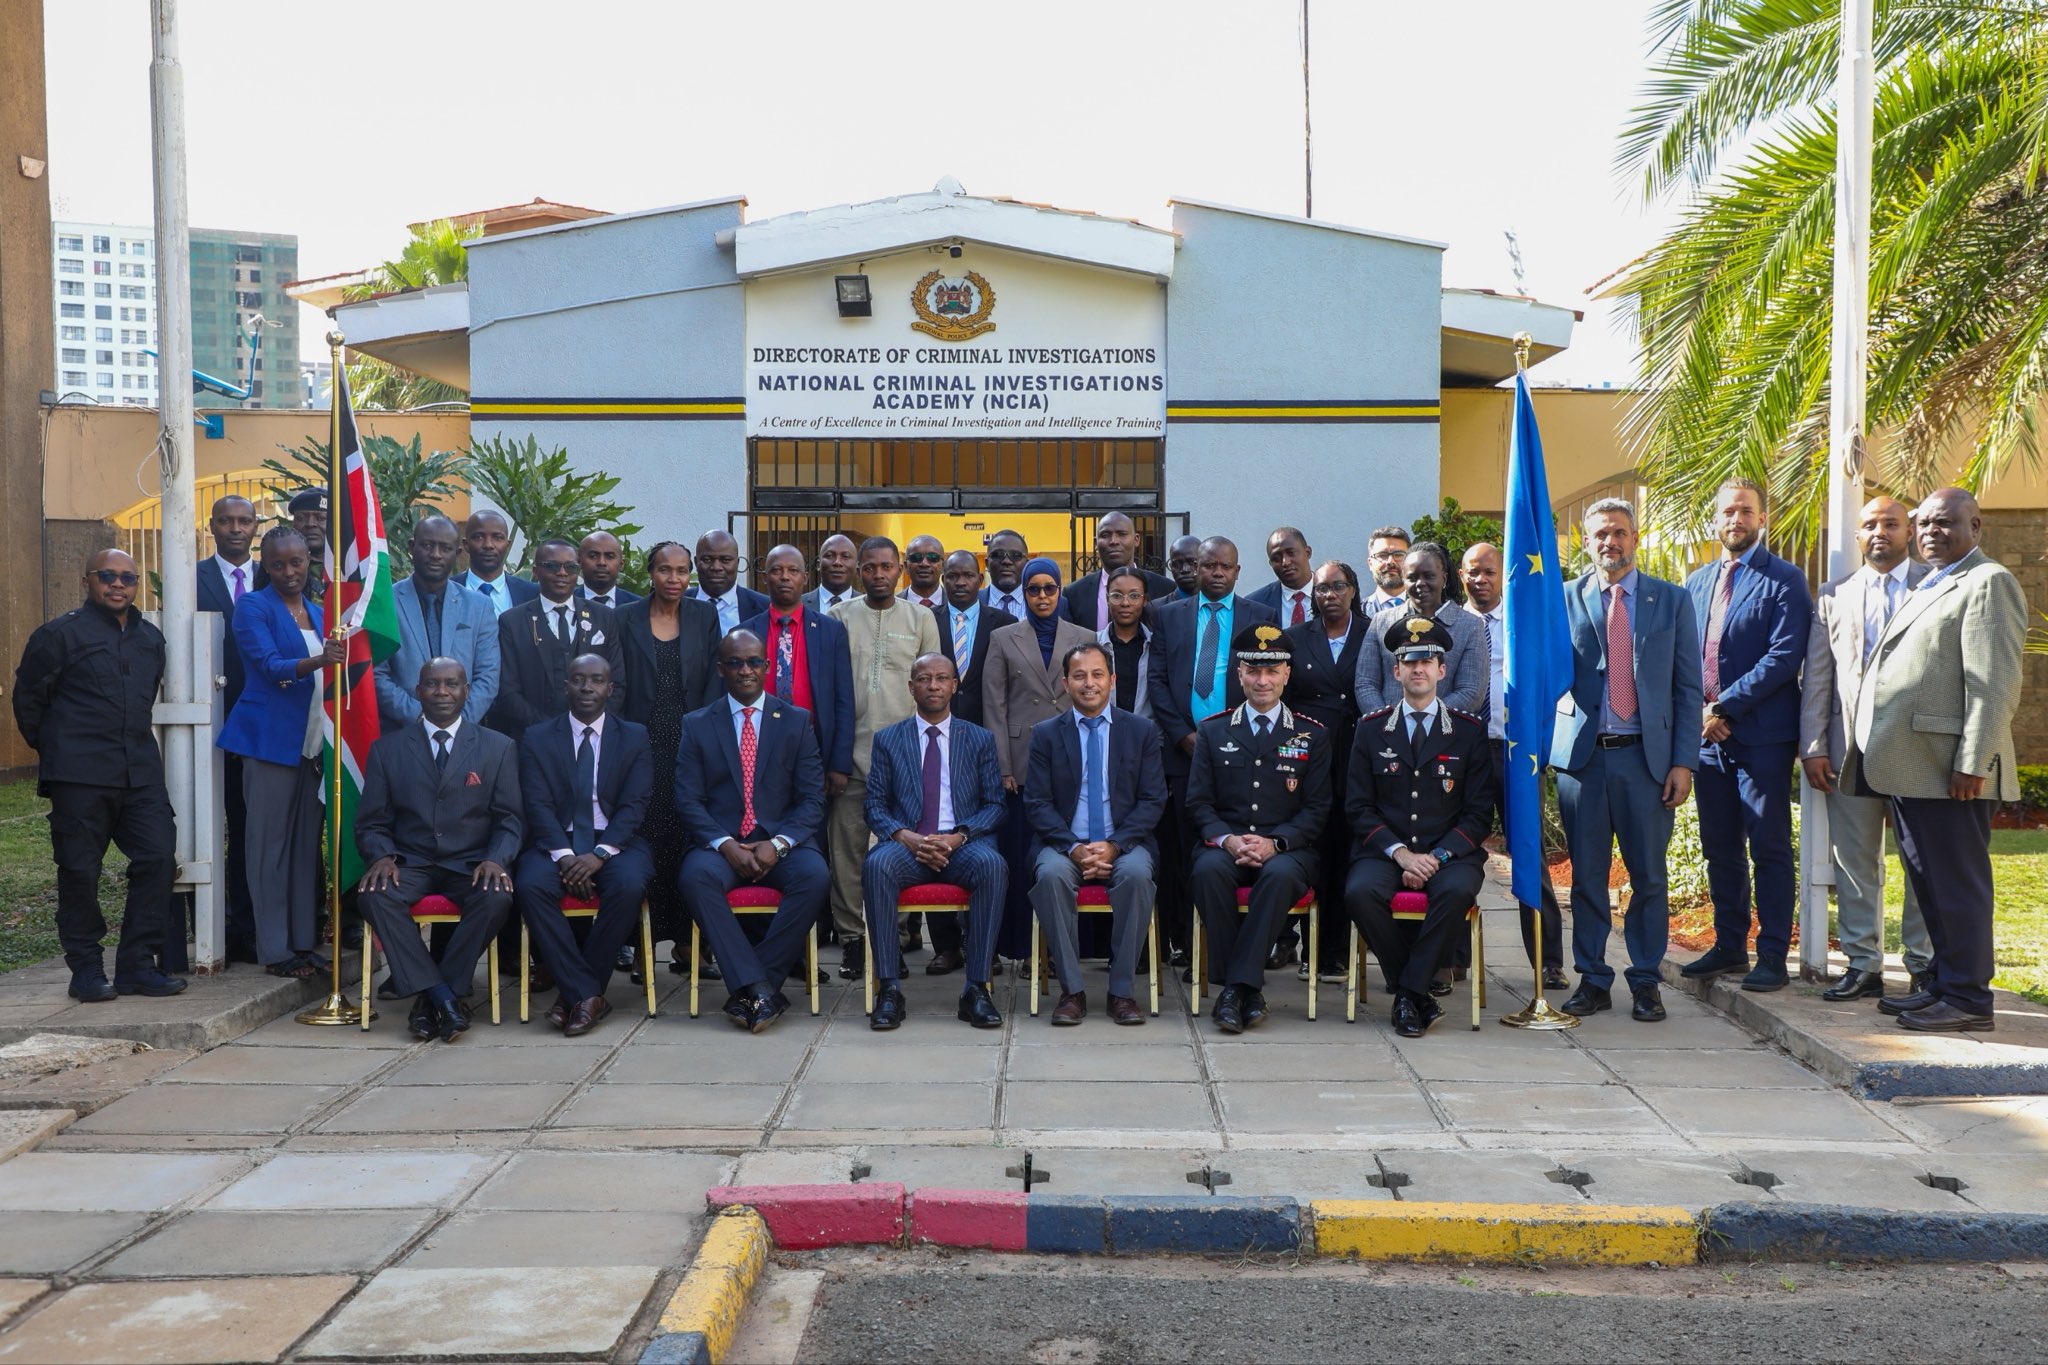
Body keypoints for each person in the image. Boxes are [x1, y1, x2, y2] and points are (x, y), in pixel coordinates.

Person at [1854, 488, 2026, 1032]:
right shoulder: (1933, 581)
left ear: (1976, 527)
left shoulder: (1988, 581)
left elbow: (1994, 682)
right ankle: (1944, 985)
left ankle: (1970, 1000)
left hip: (1952, 770)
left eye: (1945, 522)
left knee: (1957, 886)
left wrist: (1973, 760)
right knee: (1930, 884)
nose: (1931, 531)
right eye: (1924, 522)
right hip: (1912, 767)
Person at [12, 550, 186, 1001]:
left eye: (128, 577)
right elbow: (28, 701)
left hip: (139, 773)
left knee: (158, 858)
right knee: (79, 871)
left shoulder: (150, 639)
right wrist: (60, 750)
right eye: (107, 576)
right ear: (87, 580)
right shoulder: (57, 635)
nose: (118, 584)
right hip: (80, 776)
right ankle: (86, 969)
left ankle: (136, 966)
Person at [1552, 499, 1701, 1023]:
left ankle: (1645, 981)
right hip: (1584, 762)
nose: (1609, 542)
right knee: (1587, 879)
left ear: (1635, 538)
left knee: (1650, 878)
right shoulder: (1563, 598)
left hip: (1647, 763)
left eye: (1618, 532)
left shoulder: (1672, 600)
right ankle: (1593, 979)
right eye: (1600, 534)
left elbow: (1688, 688)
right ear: (1587, 541)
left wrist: (1683, 762)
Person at [1679, 478, 1814, 992]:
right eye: (1727, 512)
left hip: (1762, 739)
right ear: (1716, 520)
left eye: (1745, 511)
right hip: (1708, 740)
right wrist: (1702, 713)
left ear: (1762, 518)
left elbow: (1783, 657)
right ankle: (1730, 945)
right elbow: (1685, 657)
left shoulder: (1785, 580)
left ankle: (1773, 954)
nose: (1735, 519)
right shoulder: (1696, 583)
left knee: (1769, 846)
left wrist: (1724, 707)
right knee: (1720, 848)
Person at [1799, 496, 1931, 1003]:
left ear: (1909, 531)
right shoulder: (1834, 595)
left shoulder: (1935, 585)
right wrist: (1814, 745)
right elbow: (1818, 677)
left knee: (1921, 863)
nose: (1879, 532)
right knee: (1854, 862)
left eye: (1890, 524)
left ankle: (1923, 964)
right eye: (1869, 525)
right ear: (1857, 535)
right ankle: (1862, 963)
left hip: (1919, 752)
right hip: (1849, 751)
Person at [355, 659, 522, 1044]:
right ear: (418, 691)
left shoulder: (498, 747)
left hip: (471, 864)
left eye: (451, 684)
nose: (442, 692)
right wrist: (381, 856)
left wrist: (495, 859)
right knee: (374, 895)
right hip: (410, 862)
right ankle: (443, 996)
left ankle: (431, 998)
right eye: (432, 684)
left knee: (496, 897)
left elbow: (511, 820)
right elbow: (371, 822)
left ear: (466, 691)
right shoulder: (388, 749)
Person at [675, 630, 833, 1033]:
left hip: (781, 842)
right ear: (720, 669)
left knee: (815, 876)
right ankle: (761, 989)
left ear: (767, 667)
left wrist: (779, 844)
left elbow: (812, 799)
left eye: (753, 662)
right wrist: (726, 845)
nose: (745, 670)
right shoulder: (697, 724)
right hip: (721, 845)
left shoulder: (795, 721)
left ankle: (754, 985)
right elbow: (688, 800)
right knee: (695, 877)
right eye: (735, 663)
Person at [1345, 618, 1496, 1037]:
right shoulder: (1371, 728)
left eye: (1427, 661)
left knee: (1456, 890)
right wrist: (1401, 855)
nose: (1418, 669)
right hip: (1387, 852)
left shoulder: (1468, 731)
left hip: (1449, 855)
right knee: (1359, 892)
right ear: (1396, 671)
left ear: (1441, 670)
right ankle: (1416, 994)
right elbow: (1358, 807)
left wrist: (1437, 857)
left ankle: (1407, 993)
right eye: (1409, 662)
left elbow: (1478, 814)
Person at [1185, 624, 1331, 1033]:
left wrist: (1275, 843)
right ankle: (1244, 989)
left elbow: (1317, 808)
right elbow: (1198, 802)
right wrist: (1229, 840)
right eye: (1253, 670)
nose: (1262, 680)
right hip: (1225, 844)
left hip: (1288, 849)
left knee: (1279, 875)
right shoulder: (1213, 730)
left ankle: (1234, 989)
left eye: (1272, 671)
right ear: (1239, 674)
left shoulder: (1312, 734)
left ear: (1287, 674)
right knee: (1207, 871)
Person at [218, 527, 348, 979]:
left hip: (312, 745)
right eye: (278, 564)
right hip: (269, 742)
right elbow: (271, 667)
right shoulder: (253, 607)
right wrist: (321, 660)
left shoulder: (321, 612)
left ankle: (302, 942)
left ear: (309, 561)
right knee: (267, 849)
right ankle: (274, 950)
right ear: (266, 566)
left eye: (297, 562)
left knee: (304, 849)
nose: (289, 571)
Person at [861, 653, 1010, 1031]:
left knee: (993, 866)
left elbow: (995, 805)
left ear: (954, 686)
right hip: (907, 846)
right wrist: (906, 836)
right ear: (911, 687)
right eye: (924, 679)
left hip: (962, 846)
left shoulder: (978, 738)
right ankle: (889, 988)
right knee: (876, 865)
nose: (933, 685)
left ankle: (977, 988)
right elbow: (874, 806)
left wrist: (958, 837)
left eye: (942, 678)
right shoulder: (888, 739)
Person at [1148, 536, 1278, 962]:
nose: (1217, 573)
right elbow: (1158, 681)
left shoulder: (1260, 617)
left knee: (1235, 847)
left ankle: (1236, 944)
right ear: (1196, 568)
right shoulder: (1168, 615)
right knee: (1187, 852)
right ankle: (1189, 946)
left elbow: (1266, 682)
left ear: (1237, 571)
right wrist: (1182, 735)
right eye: (1209, 566)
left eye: (1225, 566)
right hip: (1183, 752)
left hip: (1243, 753)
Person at [1024, 642, 1167, 1025]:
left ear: (1112, 680)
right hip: (1064, 844)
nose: (1089, 683)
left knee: (1137, 876)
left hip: (1125, 843)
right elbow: (1037, 803)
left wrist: (1115, 846)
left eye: (1097, 674)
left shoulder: (1140, 731)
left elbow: (1153, 799)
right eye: (1080, 676)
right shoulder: (1046, 734)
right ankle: (1072, 992)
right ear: (1065, 683)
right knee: (1050, 876)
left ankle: (1122, 992)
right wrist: (1073, 847)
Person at [514, 654, 653, 1037]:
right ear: (566, 687)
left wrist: (600, 854)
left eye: (596, 680)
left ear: (610, 688)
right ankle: (588, 994)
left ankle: (573, 995)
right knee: (529, 885)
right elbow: (537, 805)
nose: (587, 687)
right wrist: (565, 856)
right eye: (579, 679)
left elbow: (634, 804)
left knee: (628, 885)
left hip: (615, 842)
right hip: (556, 842)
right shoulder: (538, 737)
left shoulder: (634, 736)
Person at [828, 538, 941, 979]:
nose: (879, 574)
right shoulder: (839, 617)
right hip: (851, 757)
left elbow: (932, 686)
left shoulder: (921, 618)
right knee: (847, 855)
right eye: (870, 567)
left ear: (900, 570)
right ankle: (853, 940)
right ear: (859, 571)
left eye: (887, 567)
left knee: (901, 852)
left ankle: (891, 938)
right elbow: (831, 691)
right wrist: (834, 760)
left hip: (904, 759)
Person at [1461, 541, 1565, 989]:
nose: (1480, 579)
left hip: (1514, 752)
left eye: (1488, 571)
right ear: (1461, 576)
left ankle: (1548, 960)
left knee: (1528, 853)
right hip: (1464, 755)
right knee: (1457, 854)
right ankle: (1454, 959)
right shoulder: (1453, 625)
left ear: (1502, 575)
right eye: (1472, 571)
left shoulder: (1522, 624)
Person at [617, 542, 723, 974]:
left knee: (687, 842)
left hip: (690, 745)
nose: (674, 579)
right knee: (645, 844)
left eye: (682, 571)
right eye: (665, 570)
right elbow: (618, 684)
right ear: (651, 573)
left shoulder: (703, 615)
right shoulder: (625, 617)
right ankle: (640, 946)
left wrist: (708, 737)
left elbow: (715, 680)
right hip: (640, 747)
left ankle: (687, 944)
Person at [985, 557, 1097, 959]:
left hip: (1072, 754)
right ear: (1025, 593)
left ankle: (1069, 946)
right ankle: (1020, 944)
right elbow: (994, 705)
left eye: (1050, 588)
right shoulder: (1003, 637)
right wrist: (1003, 765)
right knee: (1020, 852)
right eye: (1034, 589)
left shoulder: (1085, 636)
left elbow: (1096, 699)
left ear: (1060, 591)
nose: (1043, 596)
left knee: (1067, 849)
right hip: (1021, 759)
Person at [1283, 560, 1367, 984]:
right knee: (1314, 850)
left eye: (1338, 586)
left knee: (1348, 851)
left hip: (1358, 754)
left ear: (1353, 589)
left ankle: (1338, 951)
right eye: (1321, 589)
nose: (1329, 595)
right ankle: (1309, 948)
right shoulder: (1297, 638)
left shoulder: (1372, 633)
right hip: (1310, 758)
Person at [198, 493, 259, 964]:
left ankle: (247, 928)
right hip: (206, 722)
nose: (235, 529)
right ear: (212, 526)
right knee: (202, 828)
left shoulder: (276, 576)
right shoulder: (192, 579)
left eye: (244, 521)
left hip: (259, 727)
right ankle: (205, 926)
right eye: (226, 521)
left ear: (256, 526)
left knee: (247, 829)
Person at [741, 545, 855, 789]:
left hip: (814, 747)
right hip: (758, 745)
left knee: (811, 811)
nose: (785, 577)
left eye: (793, 571)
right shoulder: (745, 632)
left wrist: (839, 764)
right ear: (764, 578)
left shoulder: (830, 631)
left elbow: (844, 700)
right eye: (776, 571)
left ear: (805, 578)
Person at [489, 538, 625, 736]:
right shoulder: (512, 621)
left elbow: (617, 682)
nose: (562, 573)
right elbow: (508, 691)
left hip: (593, 736)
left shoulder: (603, 616)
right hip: (534, 736)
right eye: (551, 566)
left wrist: (590, 726)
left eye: (570, 567)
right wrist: (548, 730)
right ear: (536, 571)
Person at [378, 515, 500, 732]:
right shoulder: (385, 602)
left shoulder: (479, 606)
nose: (436, 555)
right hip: (402, 731)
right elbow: (377, 673)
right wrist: (420, 719)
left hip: (464, 734)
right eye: (427, 545)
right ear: (411, 547)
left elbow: (488, 675)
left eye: (445, 548)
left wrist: (456, 724)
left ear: (458, 554)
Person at [1354, 541, 1487, 717]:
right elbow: (1365, 684)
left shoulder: (1470, 626)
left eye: (1429, 576)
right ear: (1403, 579)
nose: (1420, 583)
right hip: (1387, 729)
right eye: (1412, 577)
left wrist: (1426, 721)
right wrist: (1391, 722)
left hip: (1446, 730)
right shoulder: (1381, 622)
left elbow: (1471, 692)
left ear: (1444, 578)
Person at [934, 550, 1015, 728]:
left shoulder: (1005, 622)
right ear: (943, 580)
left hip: (986, 726)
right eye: (952, 576)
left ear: (980, 580)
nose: (960, 582)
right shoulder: (929, 619)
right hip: (939, 724)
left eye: (968, 576)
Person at [1065, 512, 1174, 630]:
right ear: (1096, 543)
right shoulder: (1073, 594)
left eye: (1122, 534)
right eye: (1105, 535)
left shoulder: (1166, 589)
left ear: (1136, 539)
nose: (1114, 541)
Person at [454, 509, 537, 615]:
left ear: (508, 545)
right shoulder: (446, 591)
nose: (488, 545)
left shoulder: (532, 594)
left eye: (497, 538)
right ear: (466, 544)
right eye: (479, 537)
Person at [1100, 565, 1155, 719]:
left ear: (1145, 600)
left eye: (1134, 596)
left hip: (1148, 731)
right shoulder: (1094, 645)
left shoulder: (1156, 645)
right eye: (1117, 595)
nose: (1125, 603)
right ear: (1107, 599)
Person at [690, 530, 767, 634]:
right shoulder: (677, 605)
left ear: (737, 563)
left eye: (725, 560)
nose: (716, 567)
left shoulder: (764, 607)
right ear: (696, 562)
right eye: (707, 560)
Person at [1248, 527, 1316, 627]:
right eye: (1276, 558)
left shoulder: (1333, 595)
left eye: (1291, 553)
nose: (1285, 562)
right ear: (1271, 564)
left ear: (1308, 552)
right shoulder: (1255, 604)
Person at [576, 531, 641, 609]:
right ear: (579, 562)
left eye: (610, 556)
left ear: (621, 564)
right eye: (593, 556)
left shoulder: (640, 607)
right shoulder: (565, 602)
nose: (602, 562)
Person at [289, 488, 330, 603]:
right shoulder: (282, 567)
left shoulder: (350, 567)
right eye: (301, 518)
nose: (310, 524)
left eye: (320, 518)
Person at [981, 529, 1032, 617]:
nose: (1007, 561)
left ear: (1026, 564)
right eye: (997, 555)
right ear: (987, 563)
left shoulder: (1045, 603)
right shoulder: (972, 602)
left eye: (1016, 555)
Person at [807, 534, 860, 614]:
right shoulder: (798, 605)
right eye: (829, 556)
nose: (837, 562)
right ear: (818, 565)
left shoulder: (870, 607)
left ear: (857, 565)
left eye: (845, 556)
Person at [1363, 526, 1410, 614]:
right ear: (1370, 563)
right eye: (1382, 555)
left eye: (1398, 554)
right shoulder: (1358, 613)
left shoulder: (1428, 610)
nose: (1390, 561)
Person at [901, 535, 946, 609]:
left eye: (933, 557)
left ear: (943, 566)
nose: (924, 564)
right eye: (916, 557)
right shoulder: (889, 606)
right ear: (906, 566)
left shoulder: (957, 604)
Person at [1167, 535, 1202, 601]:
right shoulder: (1157, 606)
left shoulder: (1219, 604)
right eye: (1177, 563)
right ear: (1171, 566)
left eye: (1192, 562)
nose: (1185, 569)